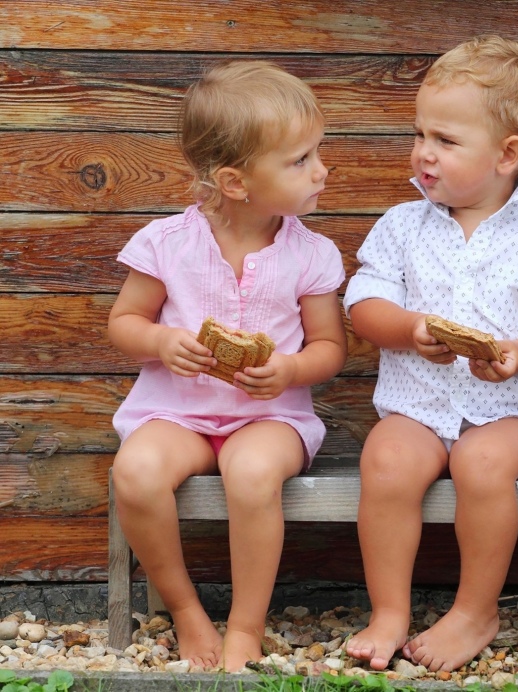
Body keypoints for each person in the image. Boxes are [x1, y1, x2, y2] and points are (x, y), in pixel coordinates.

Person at [342, 35, 518, 673]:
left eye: (446, 141)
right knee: (388, 457)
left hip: (507, 419)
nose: (424, 154)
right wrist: (410, 330)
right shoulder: (402, 226)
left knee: (484, 461)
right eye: (420, 134)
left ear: (507, 154)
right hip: (416, 407)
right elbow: (363, 305)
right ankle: (389, 610)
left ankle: (475, 610)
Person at [108, 61, 348, 672]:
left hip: (272, 416)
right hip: (177, 411)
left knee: (251, 473)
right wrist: (162, 343)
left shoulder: (312, 253)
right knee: (134, 473)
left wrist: (290, 371)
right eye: (300, 160)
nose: (321, 169)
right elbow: (124, 324)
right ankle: (185, 610)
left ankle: (245, 624)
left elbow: (329, 348)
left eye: (318, 151)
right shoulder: (166, 242)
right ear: (235, 182)